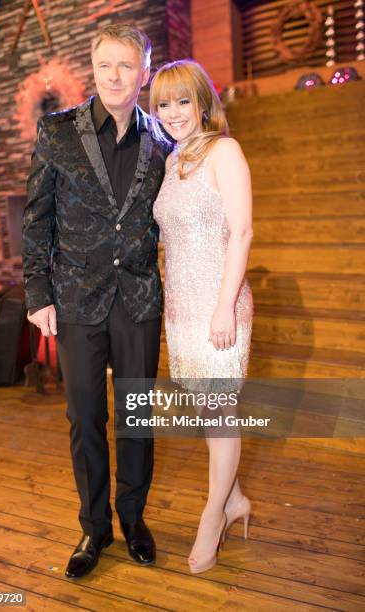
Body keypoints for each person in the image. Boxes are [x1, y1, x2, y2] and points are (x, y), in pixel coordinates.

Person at [22, 24, 171, 579]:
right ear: (95, 68)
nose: (115, 75)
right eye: (106, 65)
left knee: (136, 418)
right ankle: (95, 526)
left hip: (138, 299)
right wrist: (37, 293)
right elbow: (37, 217)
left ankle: (133, 520)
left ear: (144, 73)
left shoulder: (163, 140)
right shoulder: (57, 132)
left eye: (126, 66)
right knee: (85, 418)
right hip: (76, 300)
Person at [150, 59, 254, 574]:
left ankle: (213, 517)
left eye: (182, 101)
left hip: (219, 305)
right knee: (207, 414)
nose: (172, 113)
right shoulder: (172, 160)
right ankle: (235, 500)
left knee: (219, 412)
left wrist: (222, 306)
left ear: (203, 102)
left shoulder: (224, 151)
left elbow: (242, 234)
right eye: (163, 104)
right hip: (182, 307)